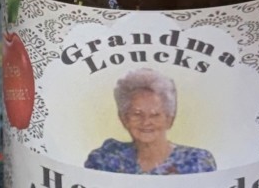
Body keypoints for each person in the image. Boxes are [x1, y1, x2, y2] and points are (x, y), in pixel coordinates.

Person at [85, 68, 216, 175]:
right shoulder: (104, 159)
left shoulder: (198, 162)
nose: (146, 122)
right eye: (137, 114)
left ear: (169, 119)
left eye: (155, 115)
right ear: (124, 118)